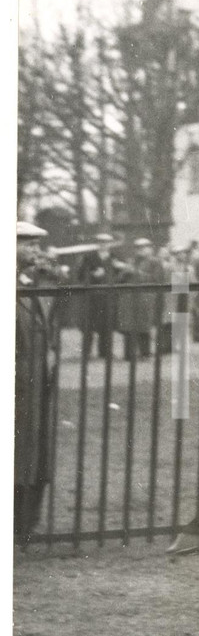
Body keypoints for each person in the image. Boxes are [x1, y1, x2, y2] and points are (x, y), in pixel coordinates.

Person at [15, 222, 58, 544]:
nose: (34, 250)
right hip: (18, 384)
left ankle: (27, 523)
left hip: (37, 383)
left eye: (35, 244)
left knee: (35, 453)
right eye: (26, 244)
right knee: (18, 454)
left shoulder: (32, 281)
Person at [76, 232, 119, 359]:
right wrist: (92, 274)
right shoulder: (89, 257)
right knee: (89, 324)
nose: (104, 245)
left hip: (108, 295)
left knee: (107, 324)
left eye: (106, 243)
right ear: (97, 244)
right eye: (101, 242)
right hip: (92, 295)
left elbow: (120, 275)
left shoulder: (114, 257)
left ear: (110, 244)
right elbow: (80, 274)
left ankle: (105, 352)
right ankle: (86, 352)